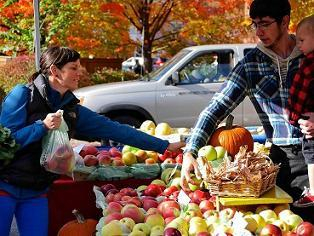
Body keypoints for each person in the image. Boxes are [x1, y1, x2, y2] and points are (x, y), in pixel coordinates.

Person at [0, 46, 185, 236]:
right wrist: (42, 127)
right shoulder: (22, 95)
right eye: (74, 67)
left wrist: (164, 146)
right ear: (55, 71)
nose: (79, 73)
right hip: (4, 187)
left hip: (36, 191)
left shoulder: (70, 108)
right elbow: (5, 141)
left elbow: (116, 130)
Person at [180, 0, 314, 222]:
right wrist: (191, 150)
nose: (259, 32)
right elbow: (215, 108)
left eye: (264, 24)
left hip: (311, 151)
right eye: (255, 25)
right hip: (282, 160)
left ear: (285, 21)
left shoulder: (310, 52)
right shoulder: (250, 65)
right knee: (290, 223)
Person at [287, 15, 314, 207]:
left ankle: (313, 192)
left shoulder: (308, 65)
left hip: (308, 121)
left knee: (311, 156)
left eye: (302, 41)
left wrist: (293, 116)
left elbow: (299, 95)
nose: (298, 45)